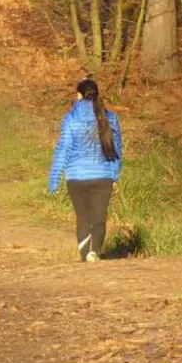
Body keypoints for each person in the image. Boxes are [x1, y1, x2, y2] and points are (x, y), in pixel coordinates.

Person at [47, 78, 123, 262]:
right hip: (103, 177)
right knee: (99, 218)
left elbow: (63, 150)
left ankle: (85, 257)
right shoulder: (110, 117)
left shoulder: (70, 119)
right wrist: (114, 176)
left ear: (79, 95)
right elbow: (116, 151)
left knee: (82, 218)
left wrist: (54, 180)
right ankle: (95, 253)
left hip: (76, 178)